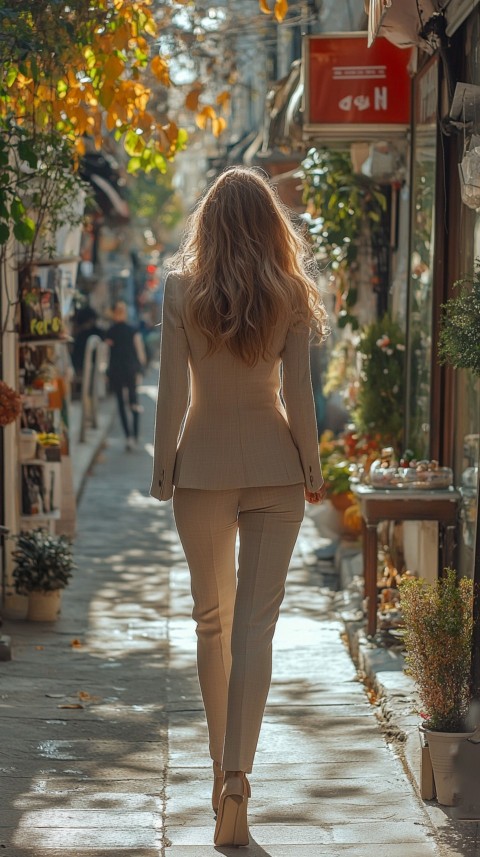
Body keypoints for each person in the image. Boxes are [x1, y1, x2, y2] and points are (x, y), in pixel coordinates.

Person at [150, 167, 329, 847]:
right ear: (267, 224)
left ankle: (219, 767)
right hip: (276, 468)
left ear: (209, 223)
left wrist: (163, 466)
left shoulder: (180, 290)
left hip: (202, 468)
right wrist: (311, 469)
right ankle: (238, 780)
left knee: (211, 624)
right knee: (256, 631)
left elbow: (171, 391)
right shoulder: (291, 294)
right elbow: (302, 397)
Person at [106, 301, 146, 450]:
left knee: (121, 403)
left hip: (117, 370)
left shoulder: (110, 331)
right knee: (133, 401)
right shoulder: (132, 330)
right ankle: (133, 436)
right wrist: (141, 368)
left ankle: (129, 436)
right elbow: (140, 351)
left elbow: (106, 353)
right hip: (130, 369)